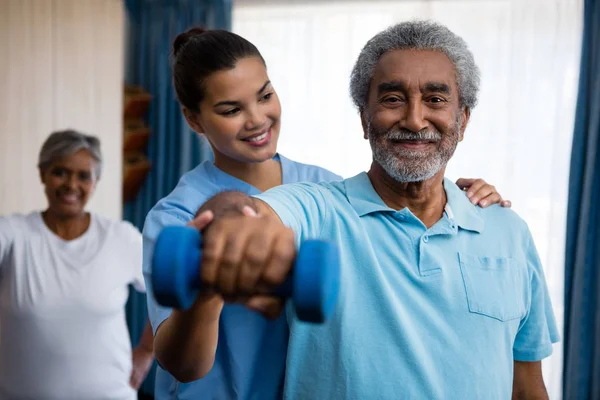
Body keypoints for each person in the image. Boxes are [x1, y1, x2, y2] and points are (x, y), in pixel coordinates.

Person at [161, 20, 561, 399]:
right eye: (392, 99)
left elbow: (527, 387)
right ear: (364, 119)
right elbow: (246, 206)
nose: (415, 119)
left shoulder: (508, 230)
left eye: (435, 99)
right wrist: (230, 224)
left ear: (463, 120)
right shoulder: (317, 206)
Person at [0, 130, 154, 399]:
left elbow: (167, 291)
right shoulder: (13, 233)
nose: (71, 184)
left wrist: (146, 351)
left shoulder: (121, 237)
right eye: (60, 172)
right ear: (43, 174)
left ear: (95, 182)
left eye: (83, 176)